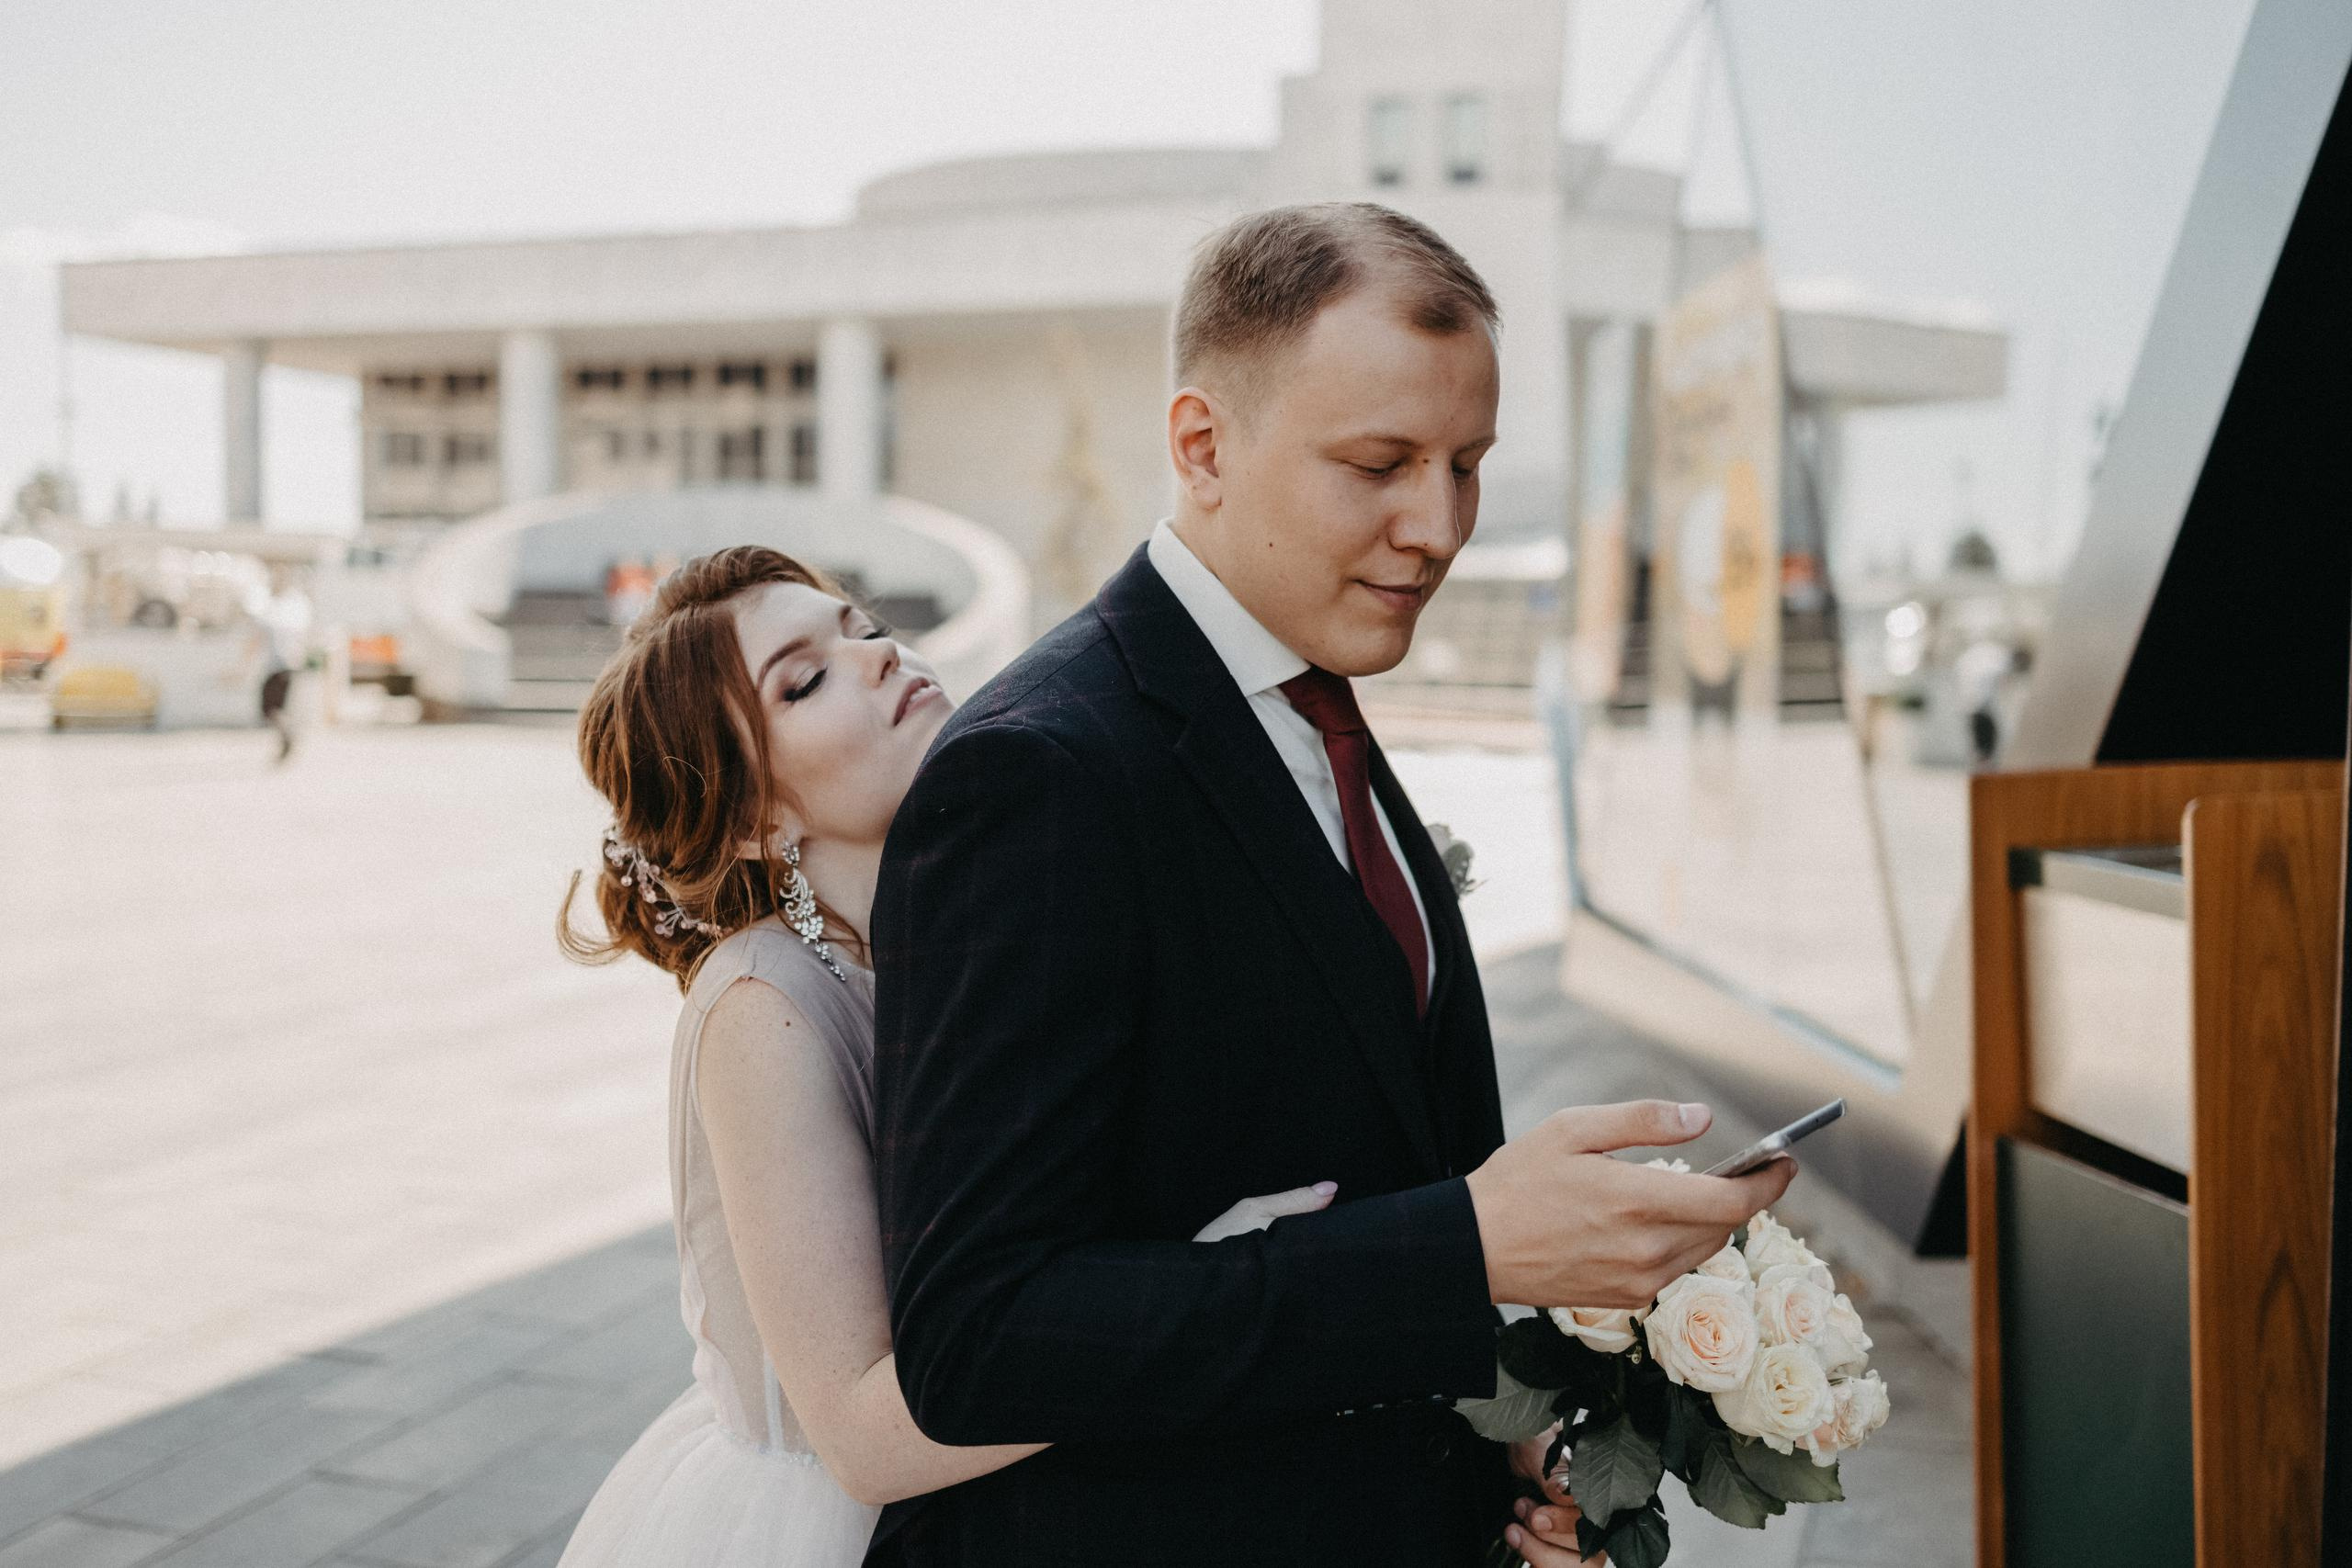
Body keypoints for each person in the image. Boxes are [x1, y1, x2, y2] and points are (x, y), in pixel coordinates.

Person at [869, 203, 1794, 1566]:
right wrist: (1465, 1244)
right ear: (1202, 446)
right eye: (1380, 463)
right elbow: (977, 1337)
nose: (1438, 525)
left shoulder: (1314, 705)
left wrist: (1524, 1439)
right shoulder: (1040, 774)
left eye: (1468, 464)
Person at [550, 547, 1595, 1565]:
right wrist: (1230, 1277)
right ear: (749, 816)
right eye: (806, 680)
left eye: (863, 626)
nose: (878, 655)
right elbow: (862, 1438)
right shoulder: (762, 1009)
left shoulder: (1003, 909)